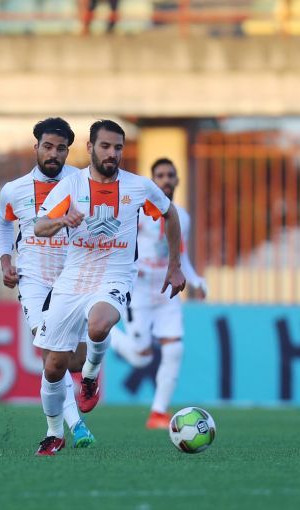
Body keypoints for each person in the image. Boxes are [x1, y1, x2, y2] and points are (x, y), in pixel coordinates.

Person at [32, 120, 186, 454]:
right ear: (90, 148)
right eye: (105, 146)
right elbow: (39, 226)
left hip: (115, 276)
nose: (112, 153)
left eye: (118, 147)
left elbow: (170, 213)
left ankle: (90, 376)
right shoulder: (71, 185)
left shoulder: (138, 186)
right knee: (53, 366)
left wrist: (174, 265)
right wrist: (61, 220)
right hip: (73, 278)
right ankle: (54, 433)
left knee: (100, 324)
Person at [0, 117, 94, 456]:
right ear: (36, 146)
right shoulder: (15, 189)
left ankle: (87, 383)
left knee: (74, 360)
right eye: (48, 147)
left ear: (68, 151)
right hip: (34, 278)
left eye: (61, 148)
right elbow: (2, 223)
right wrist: (6, 260)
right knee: (52, 354)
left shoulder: (82, 183)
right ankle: (72, 426)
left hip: (73, 278)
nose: (54, 154)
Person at [112, 158, 207, 429]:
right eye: (160, 175)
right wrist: (132, 267)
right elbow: (120, 243)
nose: (166, 180)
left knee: (175, 348)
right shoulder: (139, 212)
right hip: (139, 292)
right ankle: (105, 335)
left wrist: (196, 280)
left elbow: (180, 255)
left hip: (167, 292)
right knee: (141, 356)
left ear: (177, 180)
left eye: (170, 175)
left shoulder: (182, 217)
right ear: (153, 181)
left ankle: (158, 413)